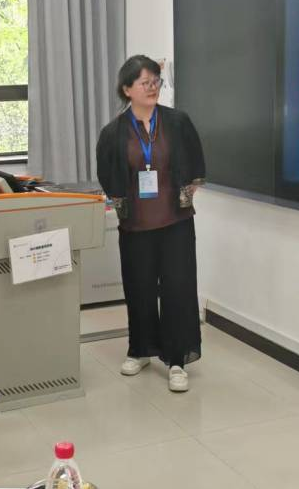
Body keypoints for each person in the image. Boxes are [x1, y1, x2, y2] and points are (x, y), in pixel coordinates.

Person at [96, 55, 206, 392]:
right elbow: (107, 174)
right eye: (145, 82)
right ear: (127, 89)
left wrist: (188, 190)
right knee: (139, 288)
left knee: (178, 289)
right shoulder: (113, 132)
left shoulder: (177, 122)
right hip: (136, 226)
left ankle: (176, 360)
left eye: (155, 81)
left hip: (175, 222)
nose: (152, 87)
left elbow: (196, 162)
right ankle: (141, 349)